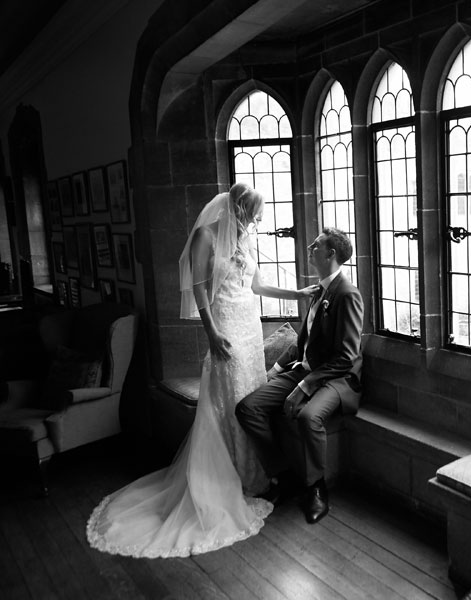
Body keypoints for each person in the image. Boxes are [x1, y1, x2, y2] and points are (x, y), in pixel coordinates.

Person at [86, 183, 317, 557]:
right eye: (254, 215)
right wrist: (212, 333)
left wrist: (297, 295)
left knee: (249, 399)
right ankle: (231, 477)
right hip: (225, 328)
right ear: (238, 208)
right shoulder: (205, 236)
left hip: (249, 328)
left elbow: (257, 286)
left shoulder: (244, 239)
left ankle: (255, 473)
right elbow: (198, 290)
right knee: (229, 400)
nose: (257, 222)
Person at [237, 227, 363, 524]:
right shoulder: (318, 291)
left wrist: (305, 386)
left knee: (308, 417)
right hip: (304, 370)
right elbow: (302, 342)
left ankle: (317, 488)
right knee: (247, 408)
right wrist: (274, 371)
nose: (309, 247)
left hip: (337, 379)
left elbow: (346, 357)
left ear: (331, 254)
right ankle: (284, 477)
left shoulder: (347, 294)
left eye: (316, 245)